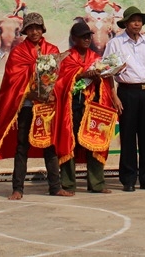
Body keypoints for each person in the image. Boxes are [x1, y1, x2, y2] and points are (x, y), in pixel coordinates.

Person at [0, 12, 72, 199]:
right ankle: (17, 189)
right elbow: (12, 80)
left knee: (50, 145)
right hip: (27, 105)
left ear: (42, 29)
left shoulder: (52, 49)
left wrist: (51, 92)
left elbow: (61, 78)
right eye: (30, 28)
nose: (34, 32)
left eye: (37, 28)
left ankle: (55, 187)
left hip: (46, 107)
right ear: (25, 31)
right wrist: (29, 90)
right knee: (22, 146)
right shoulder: (18, 52)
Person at [103, 6, 145, 192]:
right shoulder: (115, 43)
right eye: (133, 20)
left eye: (139, 20)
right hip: (127, 92)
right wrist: (114, 96)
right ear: (126, 23)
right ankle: (128, 180)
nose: (137, 24)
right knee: (128, 137)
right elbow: (107, 72)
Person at [54, 21, 112, 194]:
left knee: (94, 141)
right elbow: (59, 83)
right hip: (71, 107)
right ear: (74, 38)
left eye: (88, 36)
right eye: (83, 37)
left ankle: (97, 183)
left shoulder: (96, 58)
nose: (87, 39)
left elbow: (105, 84)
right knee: (69, 143)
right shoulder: (66, 58)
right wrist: (80, 75)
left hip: (92, 105)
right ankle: (68, 184)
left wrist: (97, 79)